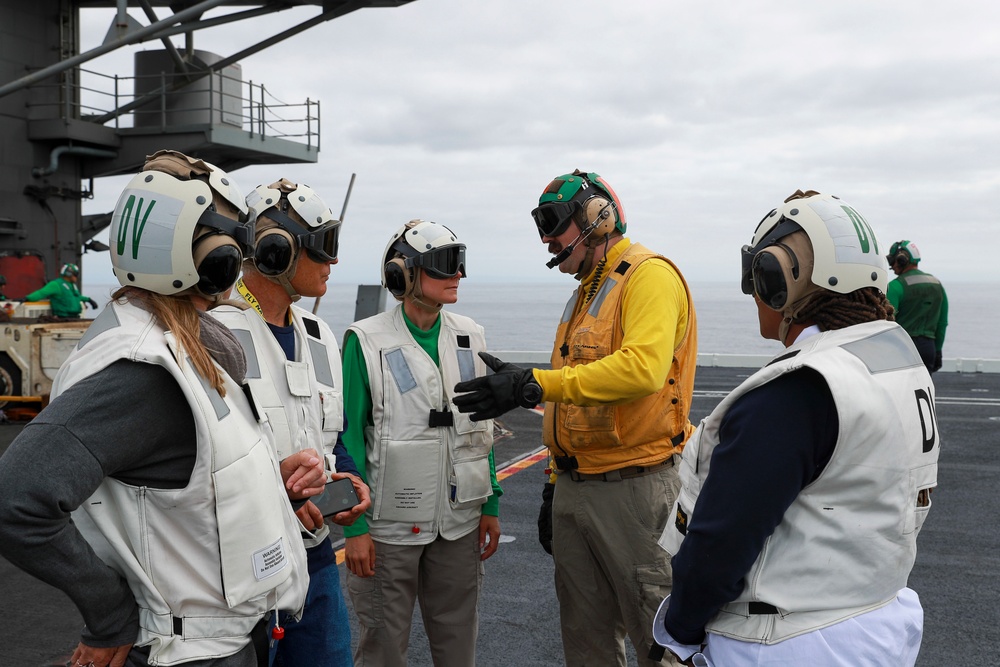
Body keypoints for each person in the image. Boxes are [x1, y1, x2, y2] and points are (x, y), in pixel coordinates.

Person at [0, 150, 326, 667]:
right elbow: (16, 498)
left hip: (224, 640)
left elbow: (180, 475)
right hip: (191, 652)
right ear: (206, 255)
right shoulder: (144, 370)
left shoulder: (182, 343)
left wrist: (267, 476)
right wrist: (109, 620)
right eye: (231, 242)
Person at [651, 190, 939, 666]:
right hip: (878, 621)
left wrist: (678, 632)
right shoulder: (897, 360)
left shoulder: (795, 391)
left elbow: (720, 544)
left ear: (778, 279)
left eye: (755, 275)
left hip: (791, 641)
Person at [453, 169, 697, 666]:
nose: (546, 239)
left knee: (661, 644)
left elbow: (642, 369)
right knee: (585, 646)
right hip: (574, 488)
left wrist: (534, 383)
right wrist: (551, 482)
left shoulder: (649, 276)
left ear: (596, 217)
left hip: (636, 491)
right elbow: (574, 398)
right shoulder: (585, 290)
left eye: (553, 223)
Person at [212, 177, 372, 667]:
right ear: (275, 251)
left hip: (317, 559)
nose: (333, 262)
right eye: (323, 247)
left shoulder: (321, 335)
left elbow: (332, 437)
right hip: (241, 573)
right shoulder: (213, 331)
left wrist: (350, 482)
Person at [342, 219, 502, 667]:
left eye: (460, 262)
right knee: (383, 650)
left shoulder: (470, 334)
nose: (458, 275)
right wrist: (354, 529)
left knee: (457, 646)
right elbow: (348, 435)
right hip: (388, 528)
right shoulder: (365, 340)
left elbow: (481, 425)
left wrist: (490, 503)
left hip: (460, 520)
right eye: (446, 264)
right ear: (404, 274)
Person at [886, 239, 949, 373]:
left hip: (902, 349)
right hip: (928, 349)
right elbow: (942, 323)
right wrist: (938, 350)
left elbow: (887, 323)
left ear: (901, 259)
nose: (892, 266)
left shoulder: (895, 286)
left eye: (892, 261)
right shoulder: (937, 284)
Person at [25, 261, 99, 318]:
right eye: (76, 274)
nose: (77, 277)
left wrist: (89, 300)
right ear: (69, 274)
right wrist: (27, 298)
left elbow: (76, 297)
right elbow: (41, 293)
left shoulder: (72, 285)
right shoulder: (56, 284)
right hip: (63, 317)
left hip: (74, 317)